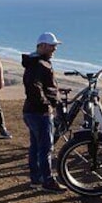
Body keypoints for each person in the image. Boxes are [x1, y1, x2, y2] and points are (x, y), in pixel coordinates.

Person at [21, 32, 65, 193]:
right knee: (45, 148)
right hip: (39, 113)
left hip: (32, 112)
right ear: (42, 46)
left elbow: (41, 86)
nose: (54, 49)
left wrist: (55, 93)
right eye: (52, 46)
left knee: (36, 147)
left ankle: (36, 180)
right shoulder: (38, 64)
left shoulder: (37, 62)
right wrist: (46, 106)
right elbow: (34, 87)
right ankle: (47, 181)